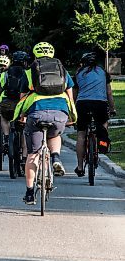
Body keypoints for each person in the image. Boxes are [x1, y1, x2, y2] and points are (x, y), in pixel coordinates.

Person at [12, 42, 77, 205]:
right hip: (60, 112)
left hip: (36, 113)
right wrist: (69, 115)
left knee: (32, 154)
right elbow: (70, 96)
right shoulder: (62, 71)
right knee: (55, 134)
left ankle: (29, 193)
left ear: (35, 56)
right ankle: (55, 157)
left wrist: (22, 116)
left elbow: (23, 98)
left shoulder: (28, 72)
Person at [73, 51, 116, 177]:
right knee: (103, 123)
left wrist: (74, 108)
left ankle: (80, 167)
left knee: (81, 134)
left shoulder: (78, 73)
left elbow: (74, 94)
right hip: (100, 104)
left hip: (82, 104)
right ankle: (101, 144)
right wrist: (112, 108)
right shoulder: (103, 72)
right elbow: (109, 93)